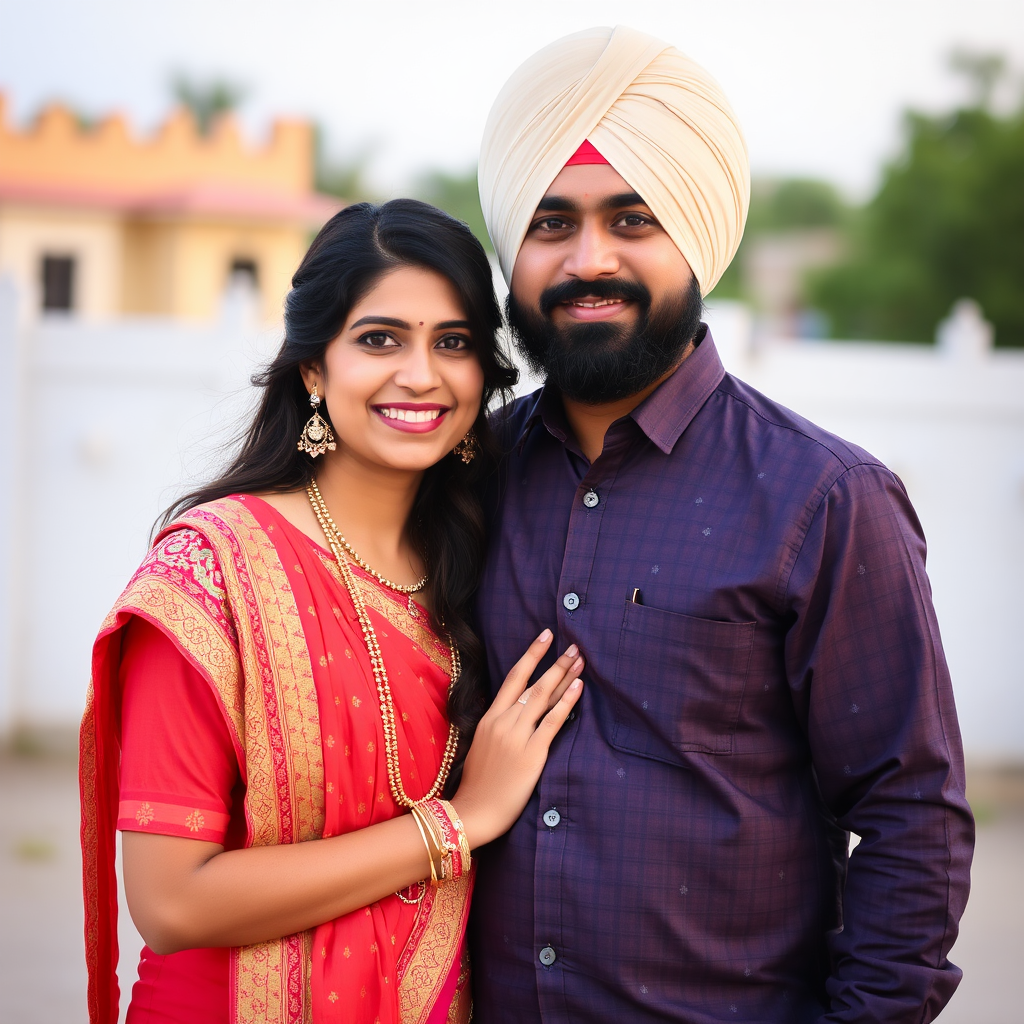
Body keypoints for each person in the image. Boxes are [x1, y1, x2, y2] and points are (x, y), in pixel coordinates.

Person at [471, 26, 974, 1024]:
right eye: (551, 224)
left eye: (632, 219)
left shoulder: (822, 498)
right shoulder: (464, 478)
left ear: (694, 237)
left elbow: (911, 815)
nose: (588, 260)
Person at [79, 199, 585, 1024]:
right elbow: (170, 904)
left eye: (452, 343)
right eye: (379, 339)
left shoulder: (479, 563)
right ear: (313, 368)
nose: (420, 374)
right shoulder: (211, 573)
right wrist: (458, 824)